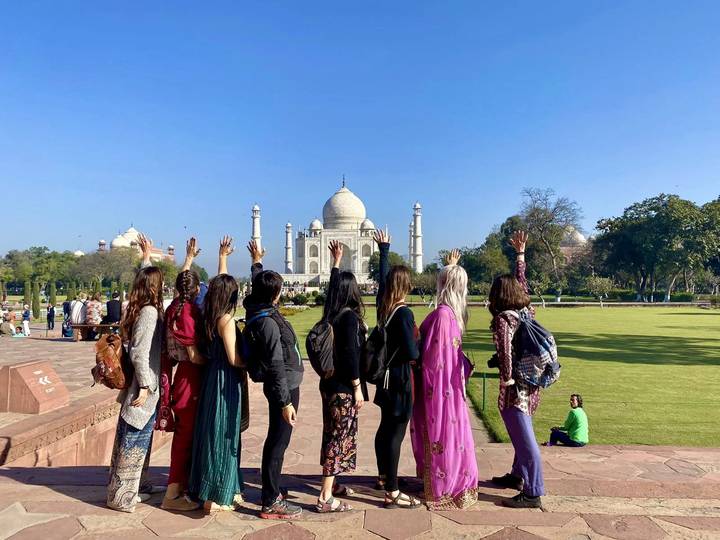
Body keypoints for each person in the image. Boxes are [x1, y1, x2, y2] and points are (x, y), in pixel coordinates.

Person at [410, 249, 478, 509]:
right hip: (451, 390)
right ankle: (452, 482)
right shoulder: (453, 315)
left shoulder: (441, 316)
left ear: (443, 284)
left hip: (438, 390)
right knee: (454, 435)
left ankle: (443, 486)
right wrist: (452, 267)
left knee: (442, 435)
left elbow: (433, 361)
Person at [243, 239, 303, 519]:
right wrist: (285, 402)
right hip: (284, 387)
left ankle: (273, 487)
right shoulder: (267, 322)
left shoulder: (258, 307)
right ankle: (270, 500)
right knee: (278, 442)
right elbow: (277, 366)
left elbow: (258, 285)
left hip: (286, 383)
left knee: (277, 440)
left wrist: (257, 262)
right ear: (275, 294)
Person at [189, 236, 247, 513]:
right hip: (226, 379)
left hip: (213, 376)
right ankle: (215, 494)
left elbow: (218, 286)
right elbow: (235, 358)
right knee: (223, 432)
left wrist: (222, 257)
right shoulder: (226, 320)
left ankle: (224, 487)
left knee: (213, 430)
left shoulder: (209, 313)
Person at [488, 230, 545, 509]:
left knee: (525, 438)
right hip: (532, 384)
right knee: (522, 433)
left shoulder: (503, 319)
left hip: (517, 387)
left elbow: (505, 353)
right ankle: (518, 475)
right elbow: (523, 286)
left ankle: (533, 491)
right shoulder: (525, 311)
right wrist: (520, 256)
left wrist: (506, 380)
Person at [107, 234, 164, 513]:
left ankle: (136, 484)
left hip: (142, 384)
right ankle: (121, 496)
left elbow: (145, 279)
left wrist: (146, 256)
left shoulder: (138, 307)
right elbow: (140, 353)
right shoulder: (150, 312)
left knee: (138, 436)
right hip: (143, 386)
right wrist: (145, 385)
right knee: (134, 436)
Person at [315, 240, 367, 513]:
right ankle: (325, 497)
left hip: (328, 384)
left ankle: (331, 484)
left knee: (331, 433)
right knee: (339, 436)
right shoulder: (348, 319)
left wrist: (335, 263)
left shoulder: (331, 314)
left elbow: (330, 292)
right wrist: (357, 387)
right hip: (344, 387)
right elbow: (350, 356)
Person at [372, 229, 422, 509]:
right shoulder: (403, 313)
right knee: (395, 434)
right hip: (401, 379)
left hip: (385, 380)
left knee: (385, 429)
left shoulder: (384, 307)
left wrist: (384, 251)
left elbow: (382, 285)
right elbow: (411, 352)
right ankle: (392, 490)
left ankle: (383, 477)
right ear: (406, 285)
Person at [160, 238, 206, 512]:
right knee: (186, 437)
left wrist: (188, 259)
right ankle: (173, 493)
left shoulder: (174, 307)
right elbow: (191, 353)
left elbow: (183, 286)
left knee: (186, 435)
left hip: (180, 379)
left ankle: (182, 486)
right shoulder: (188, 312)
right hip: (191, 377)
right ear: (198, 289)